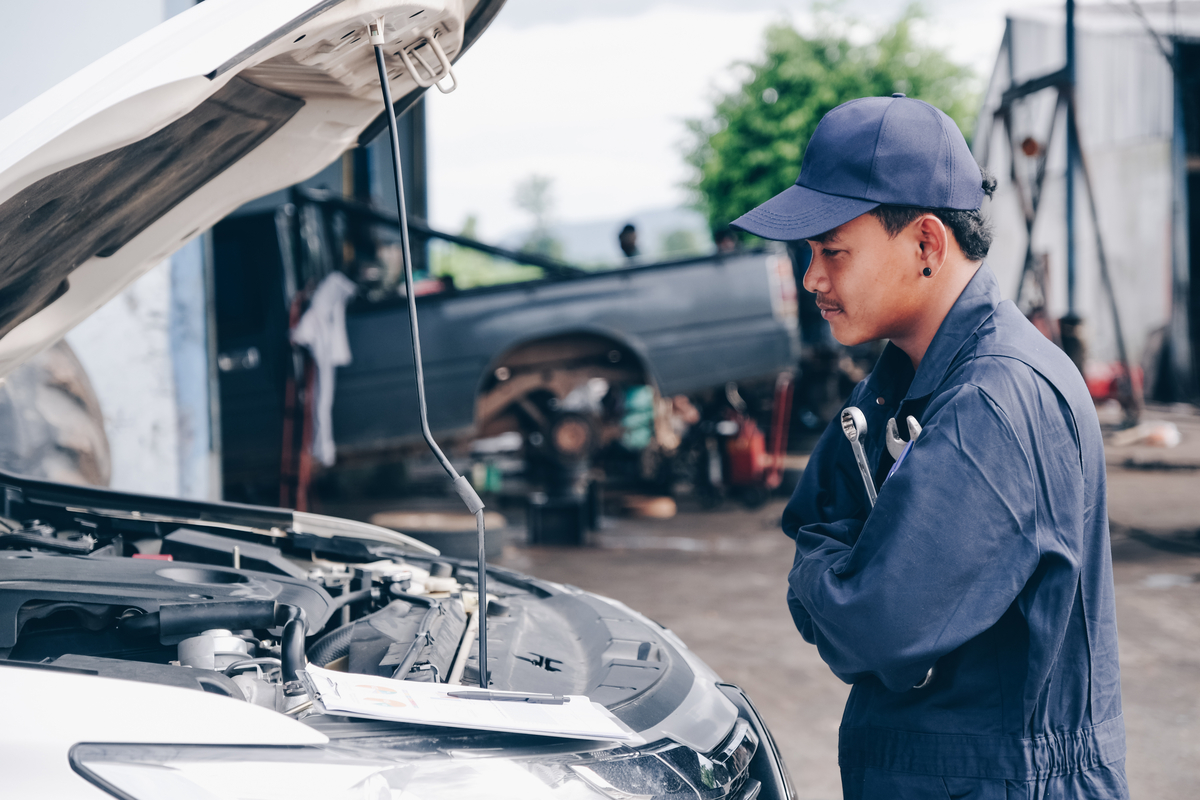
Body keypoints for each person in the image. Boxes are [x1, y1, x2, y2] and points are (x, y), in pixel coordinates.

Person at [731, 95, 1127, 799]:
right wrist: (838, 568)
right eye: (808, 253)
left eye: (832, 251)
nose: (812, 278)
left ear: (926, 244)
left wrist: (830, 573)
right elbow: (813, 524)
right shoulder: (903, 379)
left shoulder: (992, 401)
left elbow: (873, 626)